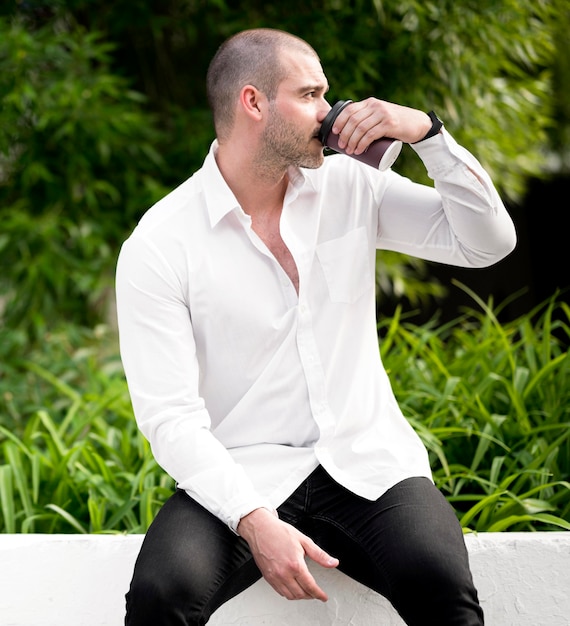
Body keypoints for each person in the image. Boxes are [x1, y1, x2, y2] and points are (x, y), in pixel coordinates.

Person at [115, 27, 516, 626]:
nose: (331, 114)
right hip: (244, 467)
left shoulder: (349, 184)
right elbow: (170, 418)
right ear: (254, 103)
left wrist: (429, 135)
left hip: (369, 460)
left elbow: (487, 244)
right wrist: (253, 520)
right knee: (160, 595)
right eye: (311, 95)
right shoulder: (161, 243)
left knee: (441, 584)